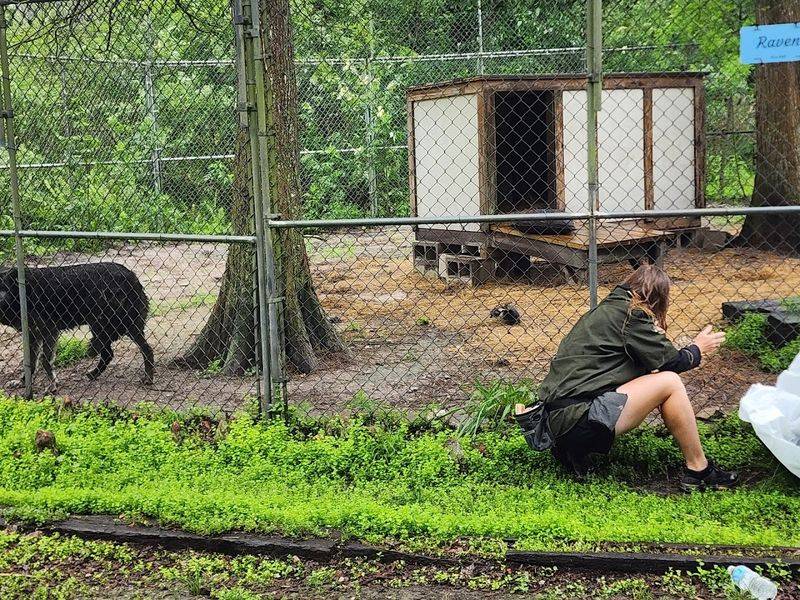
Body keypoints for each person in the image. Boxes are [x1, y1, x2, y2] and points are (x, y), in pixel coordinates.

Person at [514, 264, 738, 491]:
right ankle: (698, 470)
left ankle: (572, 452)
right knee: (670, 381)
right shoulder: (631, 314)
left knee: (660, 379)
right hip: (577, 421)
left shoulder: (604, 311)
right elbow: (671, 362)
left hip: (555, 422)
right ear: (654, 296)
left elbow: (622, 368)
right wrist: (697, 349)